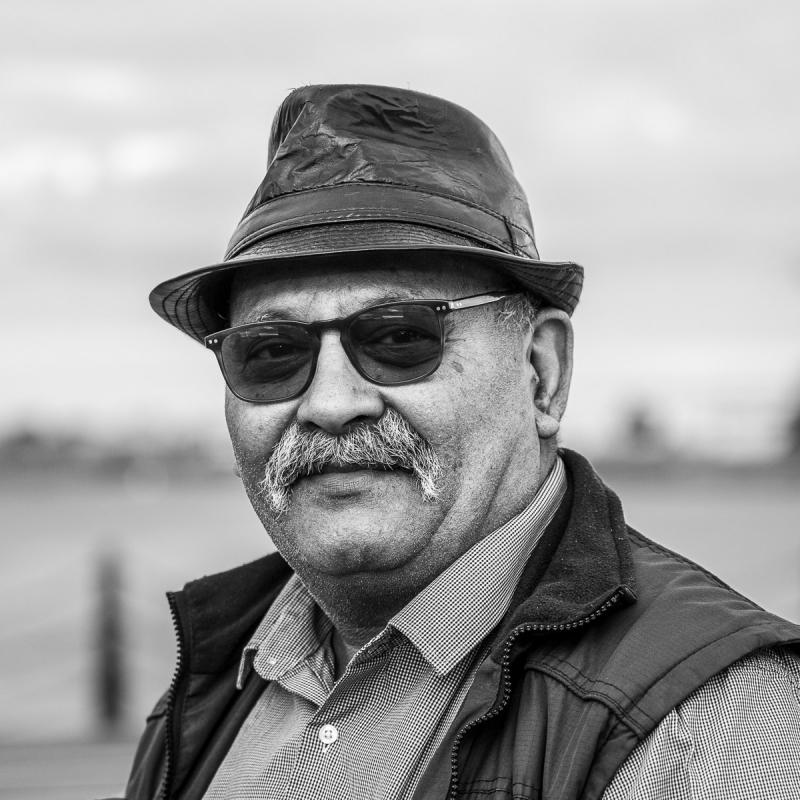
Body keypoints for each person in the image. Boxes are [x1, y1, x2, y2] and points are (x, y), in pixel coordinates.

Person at [124, 84, 800, 800]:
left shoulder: (713, 723)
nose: (330, 404)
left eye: (398, 337)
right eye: (271, 352)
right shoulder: (216, 678)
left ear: (541, 374)